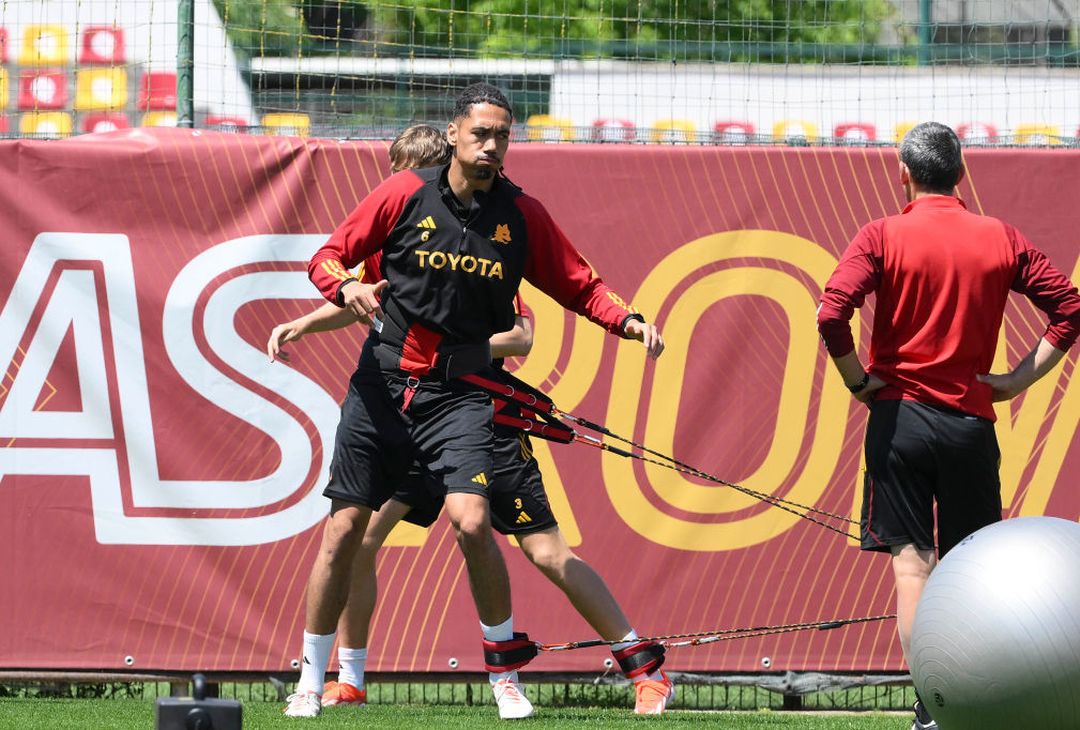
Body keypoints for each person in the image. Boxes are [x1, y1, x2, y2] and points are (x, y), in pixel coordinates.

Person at [283, 83, 664, 719]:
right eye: (481, 134)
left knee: (495, 529)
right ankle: (323, 678)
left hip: (465, 398)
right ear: (454, 137)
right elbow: (331, 261)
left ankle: (530, 673)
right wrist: (334, 295)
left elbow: (573, 288)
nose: (492, 146)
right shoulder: (401, 200)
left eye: (502, 136)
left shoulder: (519, 214)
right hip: (384, 392)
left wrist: (627, 321)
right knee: (350, 531)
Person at [816, 121, 1080, 730]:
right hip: (969, 427)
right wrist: (1017, 380)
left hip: (898, 422)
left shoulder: (882, 234)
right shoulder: (1000, 237)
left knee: (912, 568)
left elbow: (831, 314)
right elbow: (1068, 309)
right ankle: (974, 704)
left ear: (903, 173)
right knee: (969, 571)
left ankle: (932, 707)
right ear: (962, 175)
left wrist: (859, 380)